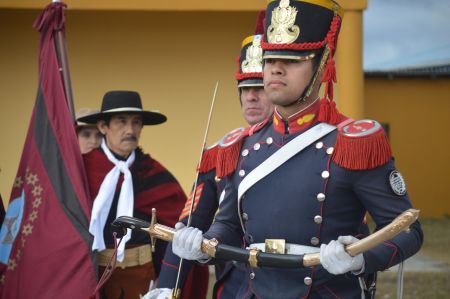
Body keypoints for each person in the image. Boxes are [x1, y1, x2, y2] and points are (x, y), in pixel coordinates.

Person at [171, 1, 423, 298]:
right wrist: (201, 246)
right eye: (269, 58)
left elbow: (407, 230)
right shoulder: (244, 146)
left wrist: (360, 258)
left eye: (292, 59)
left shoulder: (352, 143)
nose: (276, 68)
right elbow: (229, 225)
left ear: (321, 65)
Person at [144, 30, 275, 299]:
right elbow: (187, 227)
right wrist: (167, 287)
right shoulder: (220, 153)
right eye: (245, 89)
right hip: (239, 282)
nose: (251, 97)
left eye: (259, 88)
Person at [78, 90, 191, 299]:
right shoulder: (82, 171)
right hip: (91, 276)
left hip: (142, 277)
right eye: (121, 122)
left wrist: (164, 282)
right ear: (103, 126)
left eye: (136, 122)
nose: (130, 130)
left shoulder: (153, 173)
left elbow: (178, 231)